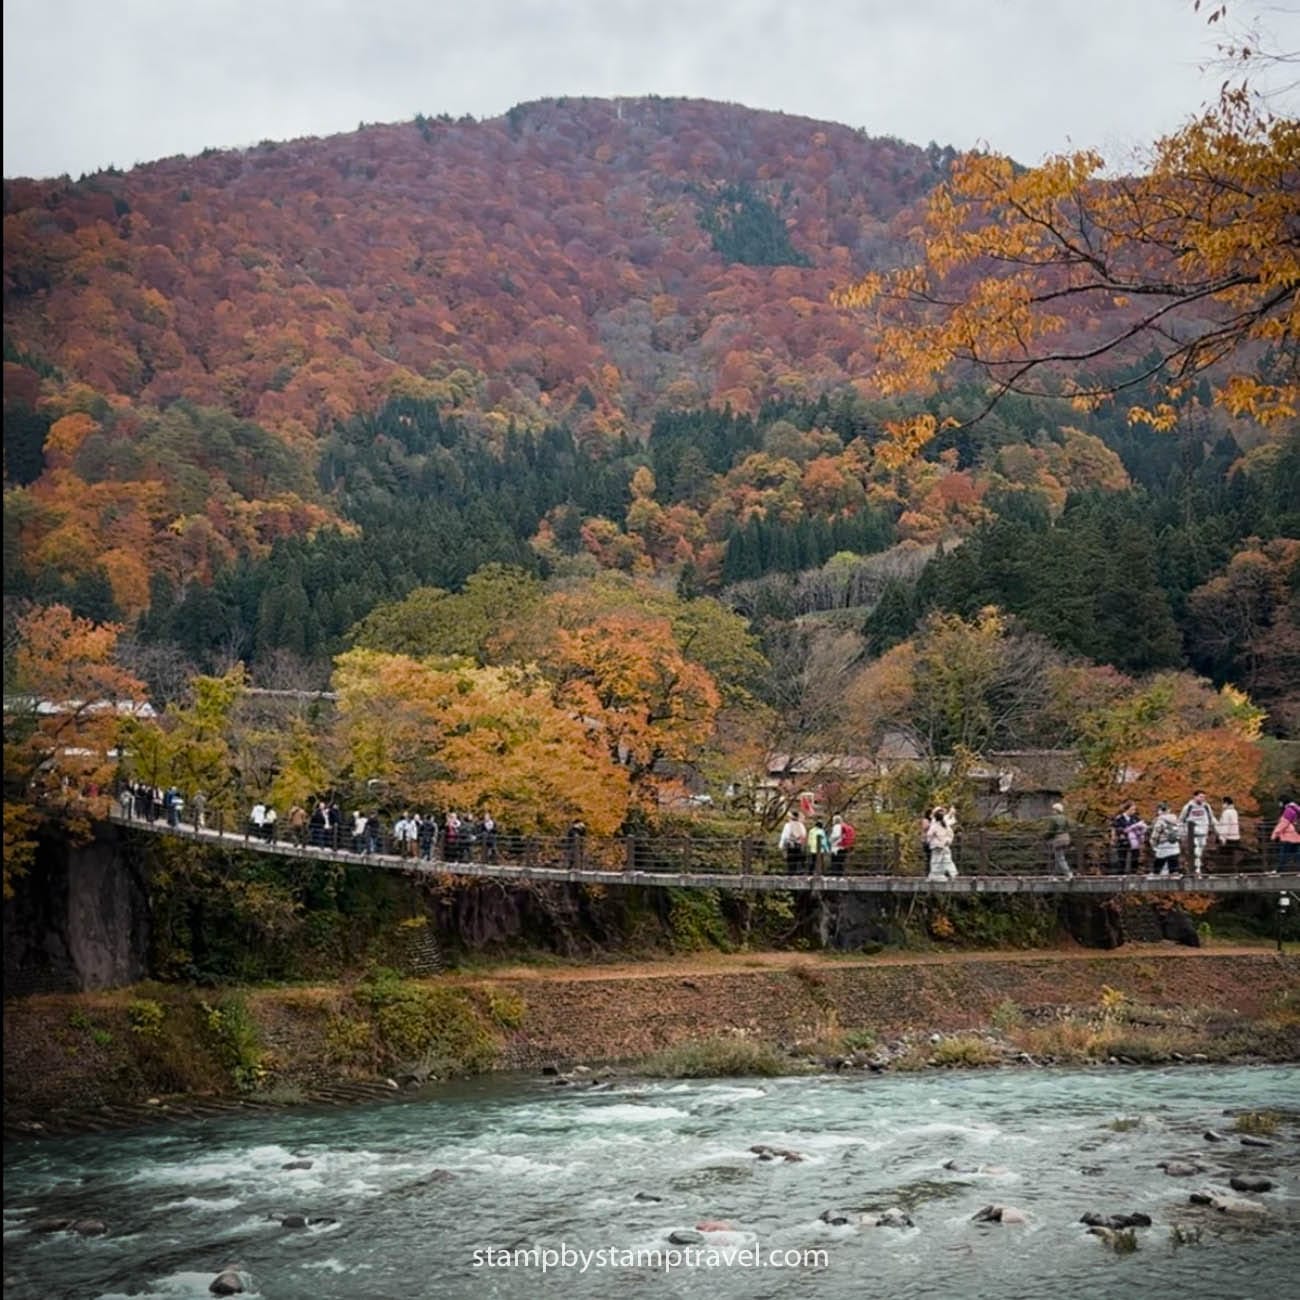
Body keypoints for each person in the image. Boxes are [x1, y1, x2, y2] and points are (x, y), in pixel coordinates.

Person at [1177, 790, 1218, 877]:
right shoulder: (1188, 807)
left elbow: (1211, 817)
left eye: (1204, 797)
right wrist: (1181, 834)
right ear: (1195, 797)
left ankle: (1198, 868)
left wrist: (1218, 828)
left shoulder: (1206, 806)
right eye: (1200, 797)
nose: (1202, 799)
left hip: (1203, 832)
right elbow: (1181, 820)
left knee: (1201, 851)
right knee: (1196, 852)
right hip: (1192, 833)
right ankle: (1197, 870)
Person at [1149, 803, 1182, 876]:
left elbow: (1156, 832)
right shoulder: (1175, 819)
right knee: (1173, 859)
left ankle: (1155, 874)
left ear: (1160, 810)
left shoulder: (1160, 820)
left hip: (1163, 843)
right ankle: (1174, 874)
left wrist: (1152, 842)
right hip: (1174, 843)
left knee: (1160, 859)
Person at [1111, 801, 1143, 875]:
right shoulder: (1119, 818)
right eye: (1132, 809)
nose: (1134, 811)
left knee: (1135, 857)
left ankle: (1133, 872)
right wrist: (1114, 837)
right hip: (1123, 840)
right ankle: (1121, 874)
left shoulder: (1135, 818)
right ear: (1127, 809)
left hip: (1134, 840)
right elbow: (1114, 827)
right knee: (1122, 858)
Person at [926, 806, 957, 880]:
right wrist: (951, 813)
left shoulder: (935, 823)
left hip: (937, 845)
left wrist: (928, 841)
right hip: (944, 845)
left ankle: (935, 875)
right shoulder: (944, 823)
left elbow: (929, 834)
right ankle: (952, 873)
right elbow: (950, 828)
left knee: (936, 861)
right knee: (946, 860)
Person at [1044, 801, 1072, 879]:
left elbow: (1051, 830)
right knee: (1059, 857)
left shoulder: (1053, 818)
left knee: (1060, 858)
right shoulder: (1065, 817)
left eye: (1053, 810)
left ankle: (1068, 873)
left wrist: (1045, 836)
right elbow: (1069, 827)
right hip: (1066, 838)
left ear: (1056, 810)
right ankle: (1054, 876)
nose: (1052, 811)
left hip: (1058, 840)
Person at [1270, 801, 1300, 870]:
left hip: (1288, 836)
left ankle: (1279, 871)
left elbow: (1283, 824)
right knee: (1297, 855)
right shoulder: (1296, 809)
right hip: (1296, 836)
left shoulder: (1288, 810)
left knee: (1284, 854)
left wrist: (1274, 835)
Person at [778, 810, 808, 875]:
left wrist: (781, 845)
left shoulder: (788, 825)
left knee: (791, 861)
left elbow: (785, 836)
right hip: (799, 845)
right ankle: (798, 874)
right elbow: (804, 834)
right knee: (797, 860)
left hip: (791, 845)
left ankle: (790, 874)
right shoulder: (801, 825)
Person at [1217, 796, 1241, 870]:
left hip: (1228, 838)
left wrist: (1222, 838)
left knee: (1224, 857)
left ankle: (1225, 871)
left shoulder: (1226, 813)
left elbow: (1225, 826)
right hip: (1236, 837)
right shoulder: (1234, 811)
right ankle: (1234, 871)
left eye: (1223, 803)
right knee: (1233, 857)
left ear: (1226, 803)